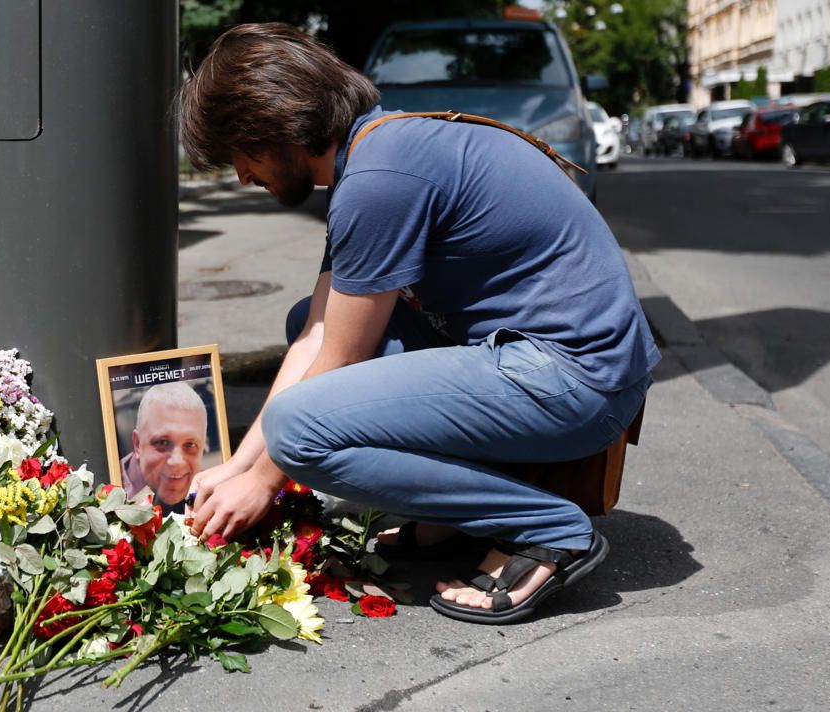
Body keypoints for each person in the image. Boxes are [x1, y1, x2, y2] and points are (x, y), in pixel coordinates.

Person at [182, 24, 658, 624]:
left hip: (578, 384)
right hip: (549, 364)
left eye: (239, 153)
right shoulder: (378, 149)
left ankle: (546, 528)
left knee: (299, 431)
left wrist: (264, 482)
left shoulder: (379, 182)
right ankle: (455, 518)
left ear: (275, 126)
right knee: (304, 326)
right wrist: (237, 467)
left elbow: (340, 362)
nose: (242, 175)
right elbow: (318, 333)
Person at [121, 382, 209, 515]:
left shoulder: (209, 491)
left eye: (190, 445)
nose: (177, 462)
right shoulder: (109, 492)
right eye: (163, 442)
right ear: (137, 444)